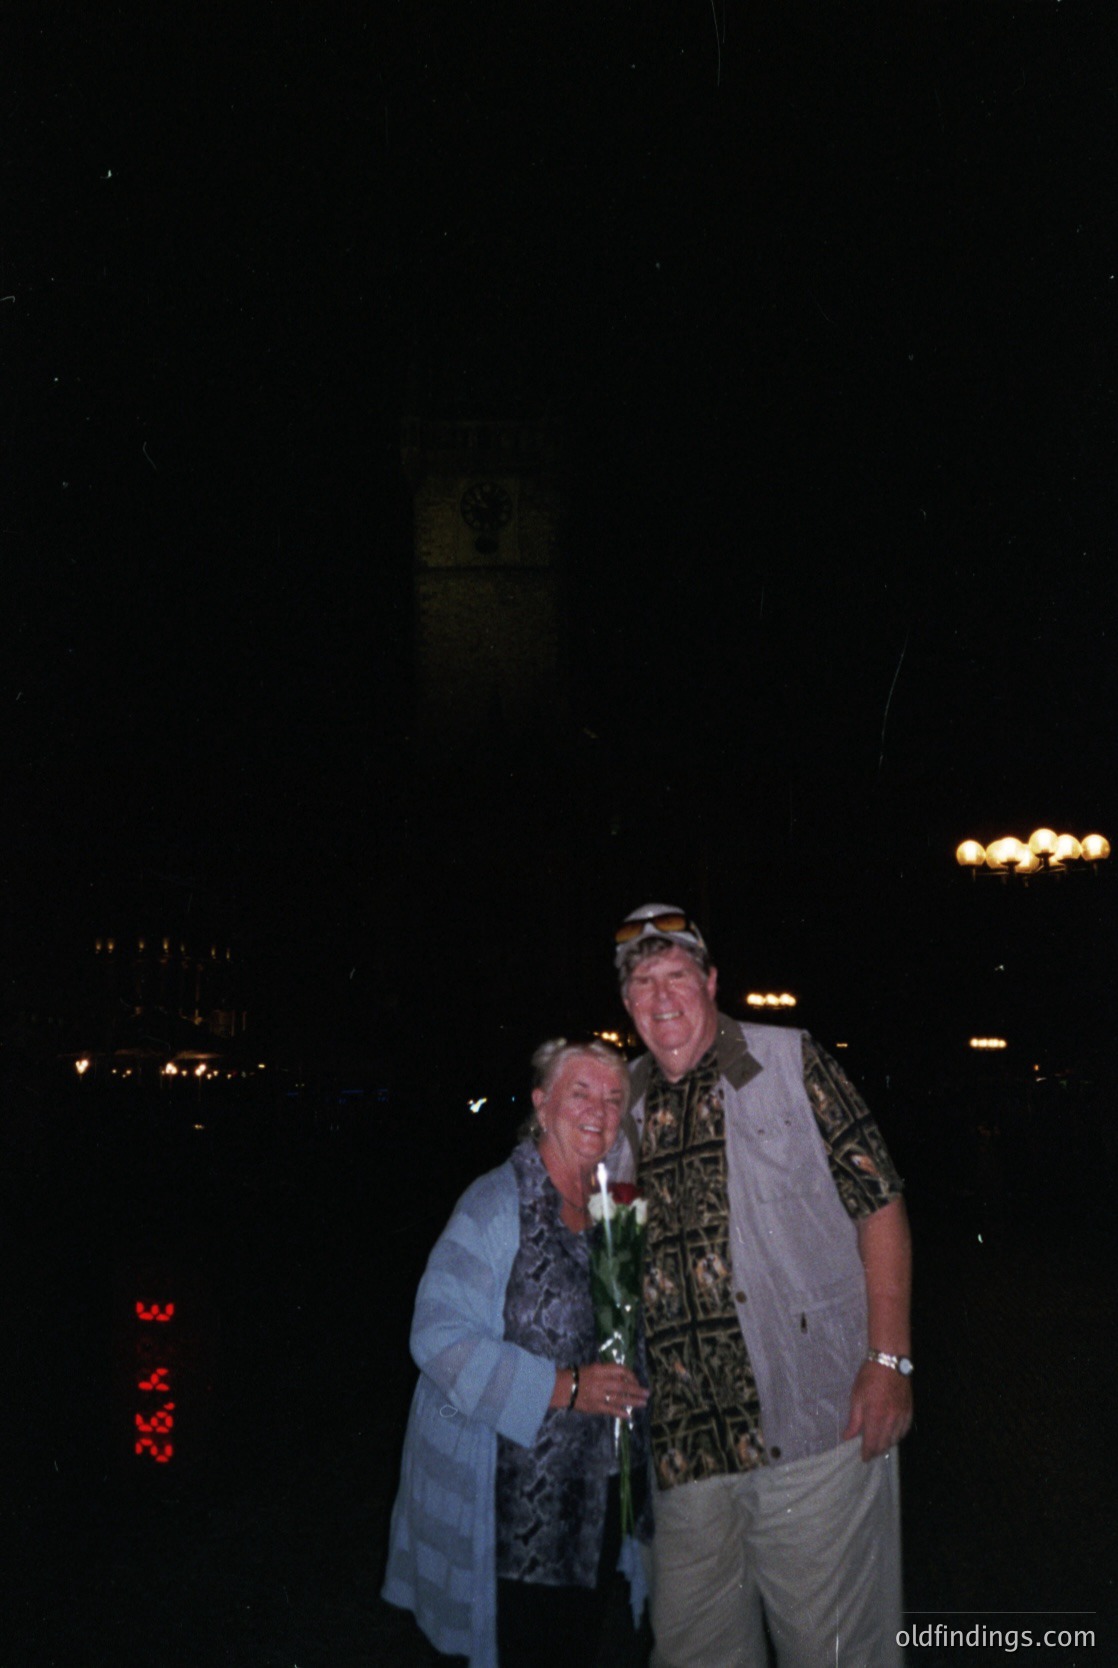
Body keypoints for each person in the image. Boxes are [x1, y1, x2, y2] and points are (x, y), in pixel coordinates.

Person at [608, 904, 913, 1668]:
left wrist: (890, 1362)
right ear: (626, 1005)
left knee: (835, 1652)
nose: (662, 995)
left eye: (677, 974)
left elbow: (880, 1205)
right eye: (643, 981)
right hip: (681, 1458)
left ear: (711, 982)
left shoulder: (789, 1058)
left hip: (811, 1433)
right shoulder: (623, 1106)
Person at [382, 1038, 651, 1668]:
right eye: (579, 1092)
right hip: (514, 1504)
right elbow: (437, 1336)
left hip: (598, 1495)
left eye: (614, 1098)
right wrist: (568, 1389)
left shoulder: (616, 1207)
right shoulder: (496, 1204)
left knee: (576, 1643)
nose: (598, 1110)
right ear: (541, 1103)